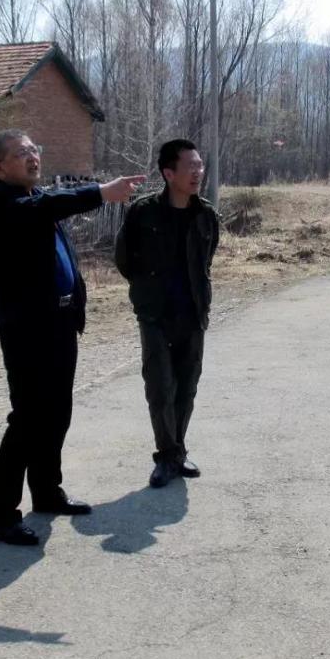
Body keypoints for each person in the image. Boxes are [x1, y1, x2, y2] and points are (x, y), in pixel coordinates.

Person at [0, 129, 145, 545]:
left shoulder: (36, 198)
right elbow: (48, 207)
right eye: (21, 153)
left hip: (60, 322)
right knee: (27, 418)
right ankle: (3, 516)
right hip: (26, 329)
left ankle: (47, 491)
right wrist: (101, 192)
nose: (32, 157)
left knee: (56, 412)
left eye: (34, 149)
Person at [114, 139, 220, 488]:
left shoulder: (206, 214)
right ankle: (166, 455)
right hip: (155, 315)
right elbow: (124, 259)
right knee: (160, 387)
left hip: (192, 314)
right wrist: (147, 291)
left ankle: (177, 451)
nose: (198, 172)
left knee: (187, 386)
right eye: (190, 166)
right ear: (169, 173)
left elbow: (206, 261)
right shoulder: (143, 212)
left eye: (200, 165)